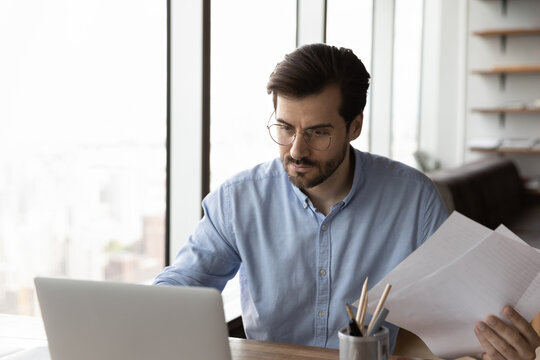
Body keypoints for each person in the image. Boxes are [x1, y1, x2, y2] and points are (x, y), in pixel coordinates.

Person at [154, 44, 539, 358]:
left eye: (318, 133)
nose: (296, 150)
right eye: (285, 128)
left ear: (355, 126)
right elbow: (187, 280)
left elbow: (460, 310)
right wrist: (143, 308)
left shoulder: (414, 198)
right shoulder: (238, 199)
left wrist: (497, 346)